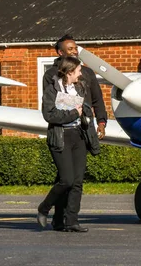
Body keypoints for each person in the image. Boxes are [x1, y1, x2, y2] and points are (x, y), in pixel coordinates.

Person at [42, 34, 107, 230]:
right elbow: (50, 109)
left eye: (75, 47)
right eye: (70, 49)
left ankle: (71, 221)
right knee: (65, 180)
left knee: (76, 181)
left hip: (81, 132)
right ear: (61, 53)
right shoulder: (50, 77)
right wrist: (71, 113)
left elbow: (97, 99)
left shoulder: (85, 74)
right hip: (61, 134)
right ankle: (55, 215)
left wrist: (101, 122)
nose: (75, 51)